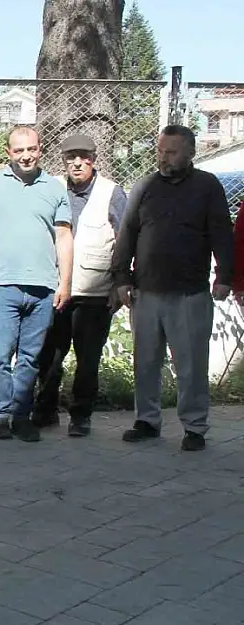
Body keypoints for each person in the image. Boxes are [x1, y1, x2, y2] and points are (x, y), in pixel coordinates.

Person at [111, 125, 233, 452]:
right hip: (146, 292)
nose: (164, 158)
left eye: (172, 152)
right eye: (161, 151)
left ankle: (194, 427)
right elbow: (127, 234)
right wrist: (122, 277)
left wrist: (224, 275)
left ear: (191, 152)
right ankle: (147, 421)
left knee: (191, 364)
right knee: (146, 361)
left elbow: (222, 232)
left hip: (190, 293)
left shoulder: (207, 187)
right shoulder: (145, 186)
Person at [0, 127, 73, 442]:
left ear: (40, 149)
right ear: (8, 152)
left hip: (43, 287)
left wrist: (65, 282)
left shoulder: (55, 188)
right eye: (18, 150)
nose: (25, 156)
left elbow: (63, 237)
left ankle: (21, 416)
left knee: (31, 359)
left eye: (31, 149)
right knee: (0, 356)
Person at [34, 134, 128, 437]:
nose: (77, 162)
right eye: (70, 157)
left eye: (83, 156)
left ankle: (81, 416)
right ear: (63, 160)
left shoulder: (112, 192)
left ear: (93, 159)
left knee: (88, 360)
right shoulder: (51, 188)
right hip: (56, 290)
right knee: (48, 356)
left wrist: (120, 283)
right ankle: (46, 410)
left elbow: (125, 241)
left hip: (96, 292)